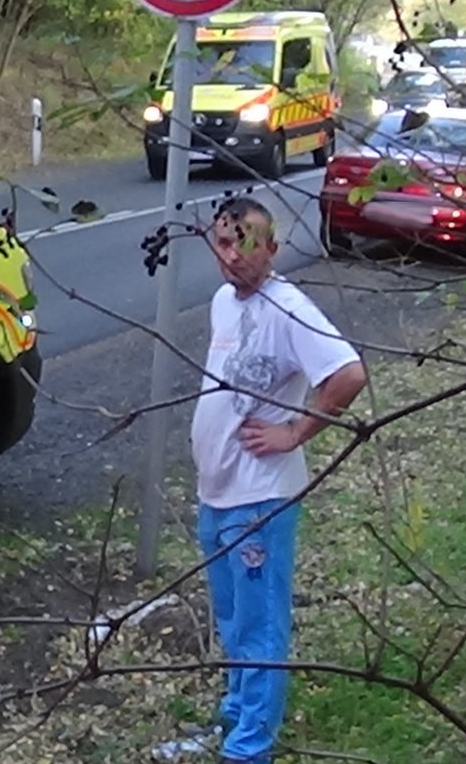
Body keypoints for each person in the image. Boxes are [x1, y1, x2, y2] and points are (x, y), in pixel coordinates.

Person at [195, 197, 368, 763]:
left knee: (261, 624)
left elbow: (347, 373)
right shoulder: (224, 302)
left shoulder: (289, 309)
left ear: (271, 248)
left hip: (259, 500)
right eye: (223, 241)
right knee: (231, 618)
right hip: (216, 494)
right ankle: (237, 715)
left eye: (247, 242)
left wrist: (295, 431)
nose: (233, 255)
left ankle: (249, 750)